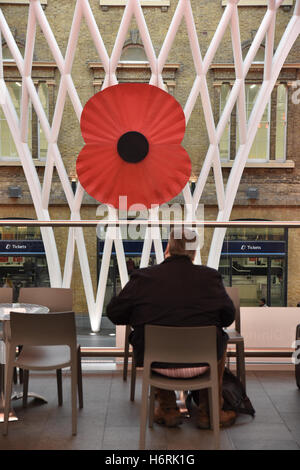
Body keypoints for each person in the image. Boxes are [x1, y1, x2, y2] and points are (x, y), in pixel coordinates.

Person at [107, 227, 236, 429]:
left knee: (149, 338)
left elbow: (115, 314)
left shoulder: (143, 278)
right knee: (219, 338)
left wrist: (142, 314)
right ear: (194, 252)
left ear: (168, 248)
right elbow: (228, 318)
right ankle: (209, 412)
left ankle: (167, 409)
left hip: (157, 364)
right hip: (203, 364)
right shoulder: (210, 278)